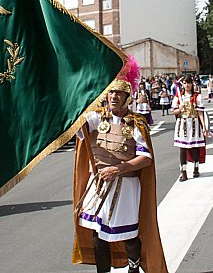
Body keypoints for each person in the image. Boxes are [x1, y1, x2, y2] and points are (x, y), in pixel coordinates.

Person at [72, 60, 167, 273]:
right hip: (99, 185)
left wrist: (118, 169)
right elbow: (78, 126)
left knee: (128, 235)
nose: (113, 96)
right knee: (98, 233)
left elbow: (146, 158)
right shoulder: (98, 117)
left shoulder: (136, 123)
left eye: (119, 93)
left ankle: (134, 269)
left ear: (127, 98)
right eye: (111, 92)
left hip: (124, 186)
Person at [171, 75, 207, 181]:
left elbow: (200, 112)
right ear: (182, 84)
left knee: (195, 147)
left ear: (192, 84)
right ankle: (183, 171)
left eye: (189, 83)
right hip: (182, 124)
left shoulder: (197, 97)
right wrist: (180, 109)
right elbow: (173, 111)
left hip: (194, 124)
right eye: (185, 83)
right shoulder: (178, 97)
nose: (187, 85)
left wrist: (204, 126)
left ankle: (196, 168)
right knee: (183, 148)